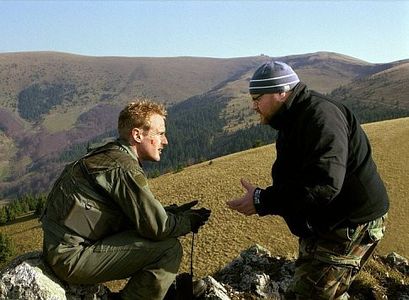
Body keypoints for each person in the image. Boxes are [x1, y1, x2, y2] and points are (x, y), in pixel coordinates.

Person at [227, 61, 389, 299]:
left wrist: (264, 200)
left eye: (258, 97)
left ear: (281, 92)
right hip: (329, 221)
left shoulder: (320, 117)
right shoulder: (294, 117)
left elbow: (324, 184)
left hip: (351, 222)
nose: (254, 106)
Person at [41, 100, 211, 300]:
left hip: (62, 248)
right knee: (168, 248)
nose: (165, 141)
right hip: (70, 258)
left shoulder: (109, 154)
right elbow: (157, 227)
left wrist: (171, 213)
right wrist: (188, 221)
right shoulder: (124, 168)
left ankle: (157, 292)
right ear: (137, 135)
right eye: (160, 133)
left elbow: (133, 215)